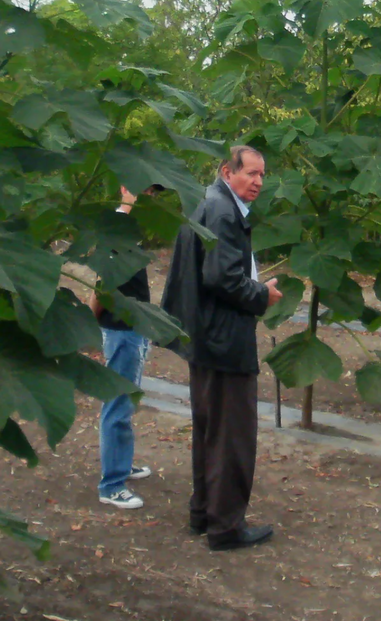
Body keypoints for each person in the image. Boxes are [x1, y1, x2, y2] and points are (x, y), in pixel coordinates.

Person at [161, 146, 283, 551]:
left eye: (262, 175)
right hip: (224, 340)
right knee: (231, 436)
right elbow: (223, 277)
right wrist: (261, 294)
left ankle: (203, 513)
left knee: (209, 429)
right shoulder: (224, 211)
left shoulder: (206, 202)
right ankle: (226, 527)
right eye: (250, 173)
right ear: (227, 172)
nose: (258, 182)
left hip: (204, 337)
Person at [92, 185, 160, 510]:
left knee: (126, 403)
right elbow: (101, 286)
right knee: (117, 405)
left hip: (134, 329)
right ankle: (112, 485)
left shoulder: (129, 233)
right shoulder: (115, 232)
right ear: (125, 189)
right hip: (121, 331)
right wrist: (87, 327)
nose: (151, 197)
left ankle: (122, 463)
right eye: (144, 190)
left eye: (154, 192)